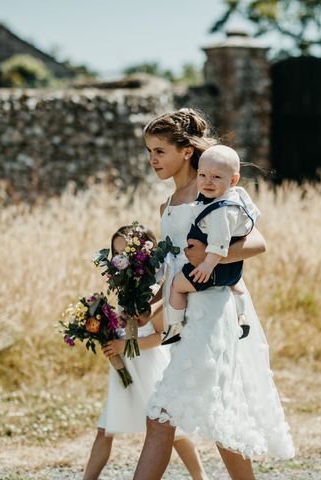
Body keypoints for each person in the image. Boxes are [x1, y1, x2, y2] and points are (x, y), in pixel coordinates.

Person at [133, 108, 294, 480]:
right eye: (149, 151)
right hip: (184, 317)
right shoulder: (167, 205)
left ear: (186, 151)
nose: (152, 160)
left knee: (161, 416)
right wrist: (149, 307)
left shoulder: (218, 191)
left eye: (159, 151)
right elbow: (174, 269)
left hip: (212, 313)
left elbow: (258, 243)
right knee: (220, 413)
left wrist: (211, 256)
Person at [82, 225, 208, 480]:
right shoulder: (124, 290)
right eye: (116, 254)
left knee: (174, 431)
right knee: (105, 428)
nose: (119, 260)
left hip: (149, 366)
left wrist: (124, 346)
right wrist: (107, 328)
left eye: (124, 253)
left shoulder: (155, 289)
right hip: (126, 369)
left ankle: (201, 477)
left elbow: (160, 336)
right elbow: (128, 327)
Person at [162, 145, 258, 345]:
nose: (207, 182)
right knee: (236, 285)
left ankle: (175, 325)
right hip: (232, 270)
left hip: (208, 268)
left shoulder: (220, 210)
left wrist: (206, 264)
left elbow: (219, 242)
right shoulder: (235, 198)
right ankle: (241, 315)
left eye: (216, 177)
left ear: (233, 180)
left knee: (177, 286)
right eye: (203, 175)